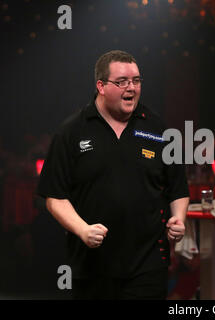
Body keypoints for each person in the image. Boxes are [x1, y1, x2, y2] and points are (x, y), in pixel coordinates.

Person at [37, 50, 190, 299]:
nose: (131, 88)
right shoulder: (72, 131)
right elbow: (54, 196)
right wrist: (83, 230)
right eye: (122, 82)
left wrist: (179, 219)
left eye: (136, 81)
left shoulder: (158, 129)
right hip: (91, 266)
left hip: (148, 264)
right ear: (101, 86)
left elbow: (178, 189)